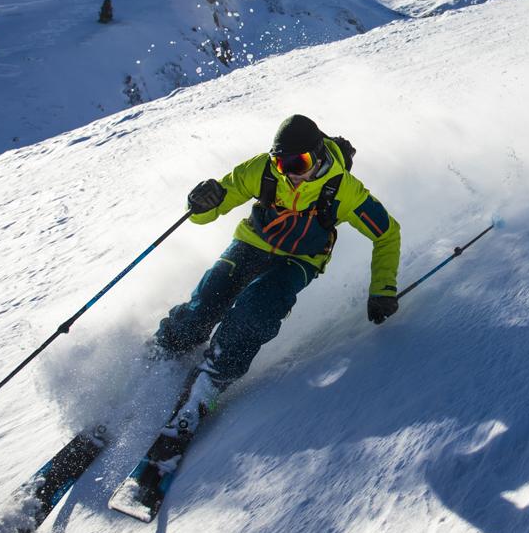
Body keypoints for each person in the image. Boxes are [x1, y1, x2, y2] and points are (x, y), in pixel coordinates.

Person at [153, 114, 401, 432]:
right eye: (284, 165)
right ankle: (168, 348)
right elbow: (210, 210)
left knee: (256, 309)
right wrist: (201, 203)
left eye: (300, 163)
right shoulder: (263, 170)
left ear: (320, 154)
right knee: (208, 298)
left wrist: (383, 288)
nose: (291, 173)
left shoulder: (345, 191)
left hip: (299, 259)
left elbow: (387, 233)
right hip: (251, 244)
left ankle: (213, 380)